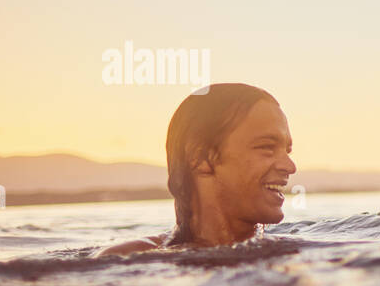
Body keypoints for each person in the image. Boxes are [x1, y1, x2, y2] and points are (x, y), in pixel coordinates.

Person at [96, 83, 296, 256]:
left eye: (287, 151)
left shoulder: (293, 253)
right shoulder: (128, 259)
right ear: (200, 158)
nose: (290, 166)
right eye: (267, 147)